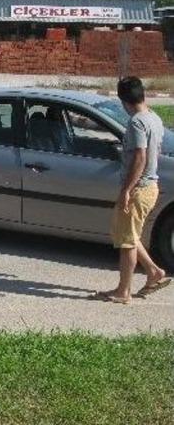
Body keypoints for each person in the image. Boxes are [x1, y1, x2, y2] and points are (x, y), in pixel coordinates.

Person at [93, 77, 171, 304]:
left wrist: (127, 189)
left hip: (139, 188)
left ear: (124, 100)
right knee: (128, 234)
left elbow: (140, 157)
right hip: (150, 186)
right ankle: (154, 272)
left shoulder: (137, 122)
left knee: (126, 241)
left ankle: (123, 291)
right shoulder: (154, 117)